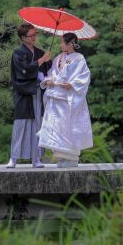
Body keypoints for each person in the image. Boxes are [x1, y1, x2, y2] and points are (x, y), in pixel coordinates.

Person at [37, 32, 93, 168]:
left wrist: (72, 84)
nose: (60, 44)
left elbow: (84, 76)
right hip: (56, 97)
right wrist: (49, 80)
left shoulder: (79, 58)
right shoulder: (58, 58)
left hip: (69, 99)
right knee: (56, 128)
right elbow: (52, 74)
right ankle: (62, 156)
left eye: (63, 42)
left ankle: (72, 158)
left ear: (70, 44)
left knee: (68, 127)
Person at [8, 23, 51, 168]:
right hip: (24, 93)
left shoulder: (40, 52)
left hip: (38, 92)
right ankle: (13, 158)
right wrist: (41, 61)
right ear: (22, 38)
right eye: (30, 36)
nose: (34, 38)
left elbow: (48, 72)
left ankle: (36, 158)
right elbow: (23, 71)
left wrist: (48, 77)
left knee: (38, 124)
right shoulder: (18, 53)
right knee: (21, 124)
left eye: (35, 34)